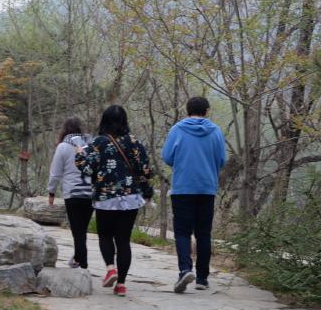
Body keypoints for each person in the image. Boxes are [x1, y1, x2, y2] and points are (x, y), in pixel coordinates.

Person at [76, 105, 155, 297]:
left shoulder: (98, 143)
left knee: (105, 235)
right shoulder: (134, 142)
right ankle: (121, 284)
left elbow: (86, 168)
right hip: (131, 197)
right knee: (123, 240)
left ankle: (111, 268)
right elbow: (146, 171)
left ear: (104, 120)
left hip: (106, 197)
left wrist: (79, 154)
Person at [161, 95, 227, 293]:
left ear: (187, 111)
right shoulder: (215, 131)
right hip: (206, 188)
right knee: (203, 233)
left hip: (182, 187)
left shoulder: (177, 129)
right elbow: (222, 160)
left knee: (182, 232)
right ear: (206, 111)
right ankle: (202, 279)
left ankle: (184, 270)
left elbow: (167, 157)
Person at [46, 117, 92, 270]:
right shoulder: (90, 145)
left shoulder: (63, 147)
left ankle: (82, 263)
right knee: (82, 230)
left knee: (77, 231)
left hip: (72, 193)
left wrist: (51, 192)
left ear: (64, 130)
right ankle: (79, 259)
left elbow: (55, 173)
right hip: (90, 193)